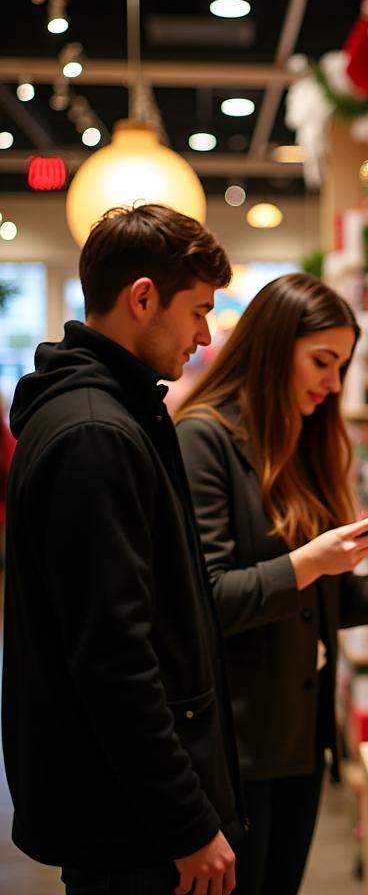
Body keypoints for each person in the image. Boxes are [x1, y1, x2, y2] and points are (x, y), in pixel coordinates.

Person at [174, 272, 368, 895]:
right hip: (238, 749)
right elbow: (207, 602)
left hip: (298, 740)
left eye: (342, 364)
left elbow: (316, 603)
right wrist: (310, 561)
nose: (335, 382)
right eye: (322, 361)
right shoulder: (202, 439)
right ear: (271, 348)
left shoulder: (297, 442)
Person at [2, 205, 241, 895]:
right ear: (143, 298)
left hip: (125, 808)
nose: (205, 333)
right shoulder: (94, 434)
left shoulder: (114, 409)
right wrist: (187, 821)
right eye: (197, 310)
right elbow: (114, 660)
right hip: (130, 825)